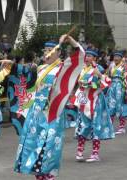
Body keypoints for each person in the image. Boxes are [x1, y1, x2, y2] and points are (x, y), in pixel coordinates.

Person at [14, 35, 85, 180]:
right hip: (36, 112)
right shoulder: (40, 68)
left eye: (51, 50)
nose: (47, 53)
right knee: (33, 146)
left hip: (52, 112)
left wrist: (71, 41)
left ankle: (48, 176)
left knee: (48, 147)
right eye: (45, 50)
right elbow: (30, 87)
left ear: (59, 53)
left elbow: (80, 56)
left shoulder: (62, 68)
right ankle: (39, 177)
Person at [74, 49, 115, 163]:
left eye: (90, 56)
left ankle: (95, 153)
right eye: (86, 56)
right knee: (83, 125)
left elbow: (106, 82)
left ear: (95, 58)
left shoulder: (99, 68)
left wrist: (98, 75)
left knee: (95, 125)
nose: (87, 58)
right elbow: (79, 83)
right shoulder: (82, 69)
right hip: (84, 100)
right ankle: (79, 151)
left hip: (96, 100)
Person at [7, 51, 37, 135]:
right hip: (23, 95)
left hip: (16, 95)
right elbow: (33, 80)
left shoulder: (14, 69)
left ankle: (24, 134)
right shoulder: (29, 67)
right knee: (23, 115)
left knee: (18, 116)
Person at [107, 51, 127, 135]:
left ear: (121, 58)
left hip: (120, 87)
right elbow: (108, 75)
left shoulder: (124, 66)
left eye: (118, 56)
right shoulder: (111, 65)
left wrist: (124, 86)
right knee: (111, 106)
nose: (116, 58)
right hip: (112, 86)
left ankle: (122, 127)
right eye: (115, 56)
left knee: (120, 106)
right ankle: (110, 126)